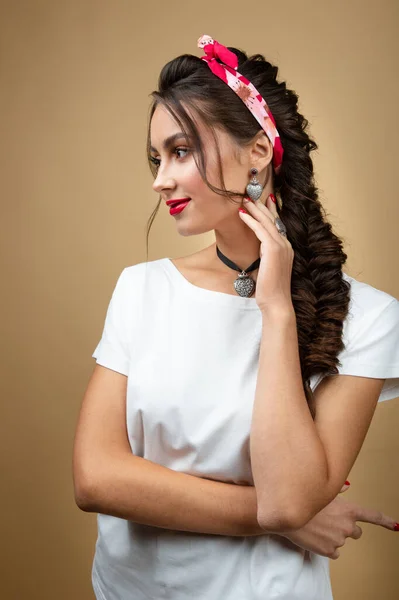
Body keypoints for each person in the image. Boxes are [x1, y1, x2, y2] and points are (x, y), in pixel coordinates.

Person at [73, 34, 399, 600]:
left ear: (257, 152)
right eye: (157, 158)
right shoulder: (142, 289)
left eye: (181, 151)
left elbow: (290, 497)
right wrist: (279, 519)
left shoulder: (370, 318)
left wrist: (276, 311)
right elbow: (96, 477)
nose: (160, 180)